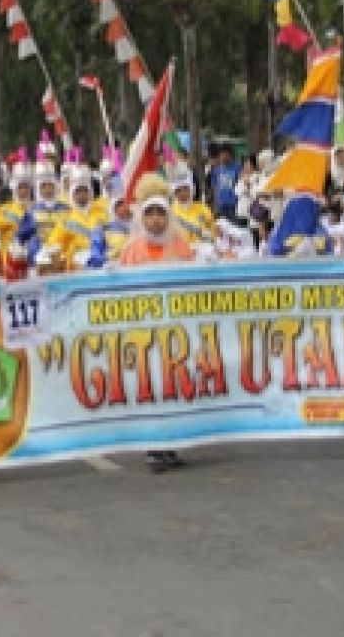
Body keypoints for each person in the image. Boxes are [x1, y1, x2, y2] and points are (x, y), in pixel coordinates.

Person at [117, 173, 194, 471]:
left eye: (161, 213)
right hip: (144, 334)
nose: (156, 220)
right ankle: (153, 445)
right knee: (150, 387)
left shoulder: (181, 247)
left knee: (173, 386)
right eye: (149, 213)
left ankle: (171, 444)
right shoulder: (131, 250)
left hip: (175, 331)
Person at [208, 146, 240, 218]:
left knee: (233, 226)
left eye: (225, 155)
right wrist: (215, 204)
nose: (223, 157)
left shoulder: (237, 168)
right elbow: (215, 187)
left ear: (230, 155)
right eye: (221, 155)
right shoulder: (216, 170)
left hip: (233, 203)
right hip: (221, 204)